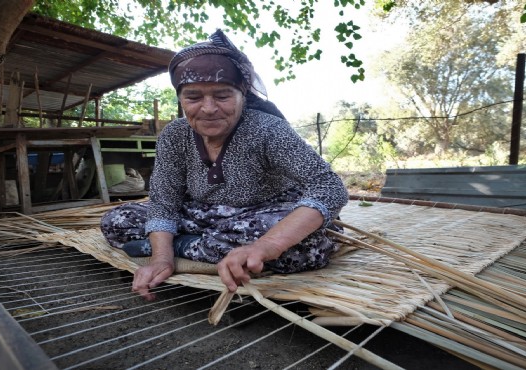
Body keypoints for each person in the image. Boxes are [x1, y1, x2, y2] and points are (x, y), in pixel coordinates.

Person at [100, 29, 349, 301]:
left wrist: (267, 245)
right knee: (117, 221)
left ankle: (186, 245)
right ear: (181, 100)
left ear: (242, 94)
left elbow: (329, 187)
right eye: (193, 97)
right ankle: (194, 249)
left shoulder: (267, 130)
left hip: (262, 217)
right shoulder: (174, 135)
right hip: (203, 216)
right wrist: (161, 258)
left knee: (311, 245)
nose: (208, 108)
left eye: (222, 96)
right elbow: (163, 202)